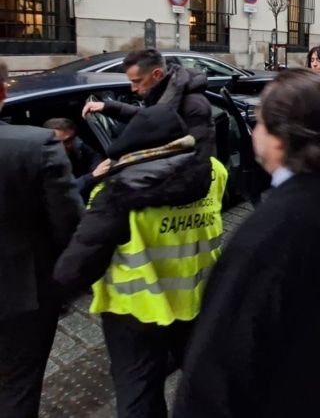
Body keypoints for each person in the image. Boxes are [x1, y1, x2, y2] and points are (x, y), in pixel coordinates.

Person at [173, 69, 320, 418]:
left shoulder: (266, 234)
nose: (253, 131)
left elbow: (214, 372)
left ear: (278, 140)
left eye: (258, 122)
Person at [54, 106, 222, 418]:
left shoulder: (113, 192)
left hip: (133, 312)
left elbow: (78, 265)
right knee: (203, 377)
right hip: (197, 298)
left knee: (138, 392)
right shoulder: (214, 171)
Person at [0, 58, 83, 418]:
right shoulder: (36, 146)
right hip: (20, 297)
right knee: (19, 388)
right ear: (4, 92)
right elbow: (69, 225)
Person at [81, 48, 214, 158]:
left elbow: (199, 157)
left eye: (137, 81)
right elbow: (147, 117)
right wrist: (108, 107)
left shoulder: (193, 105)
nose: (133, 88)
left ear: (156, 74)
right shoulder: (166, 93)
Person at [43, 117, 105, 202]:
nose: (70, 144)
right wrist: (92, 176)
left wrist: (100, 170)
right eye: (65, 141)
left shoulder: (77, 143)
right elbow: (61, 193)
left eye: (72, 138)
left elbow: (94, 157)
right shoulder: (44, 162)